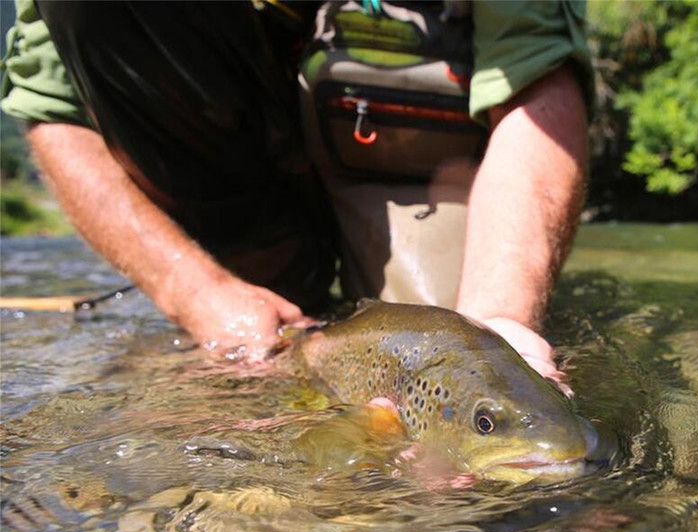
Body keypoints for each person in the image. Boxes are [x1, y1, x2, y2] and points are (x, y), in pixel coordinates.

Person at [0, 0, 591, 388]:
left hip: (402, 144)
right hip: (220, 142)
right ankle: (264, 288)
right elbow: (53, 106)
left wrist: (498, 318)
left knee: (446, 356)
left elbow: (534, 79)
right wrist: (194, 290)